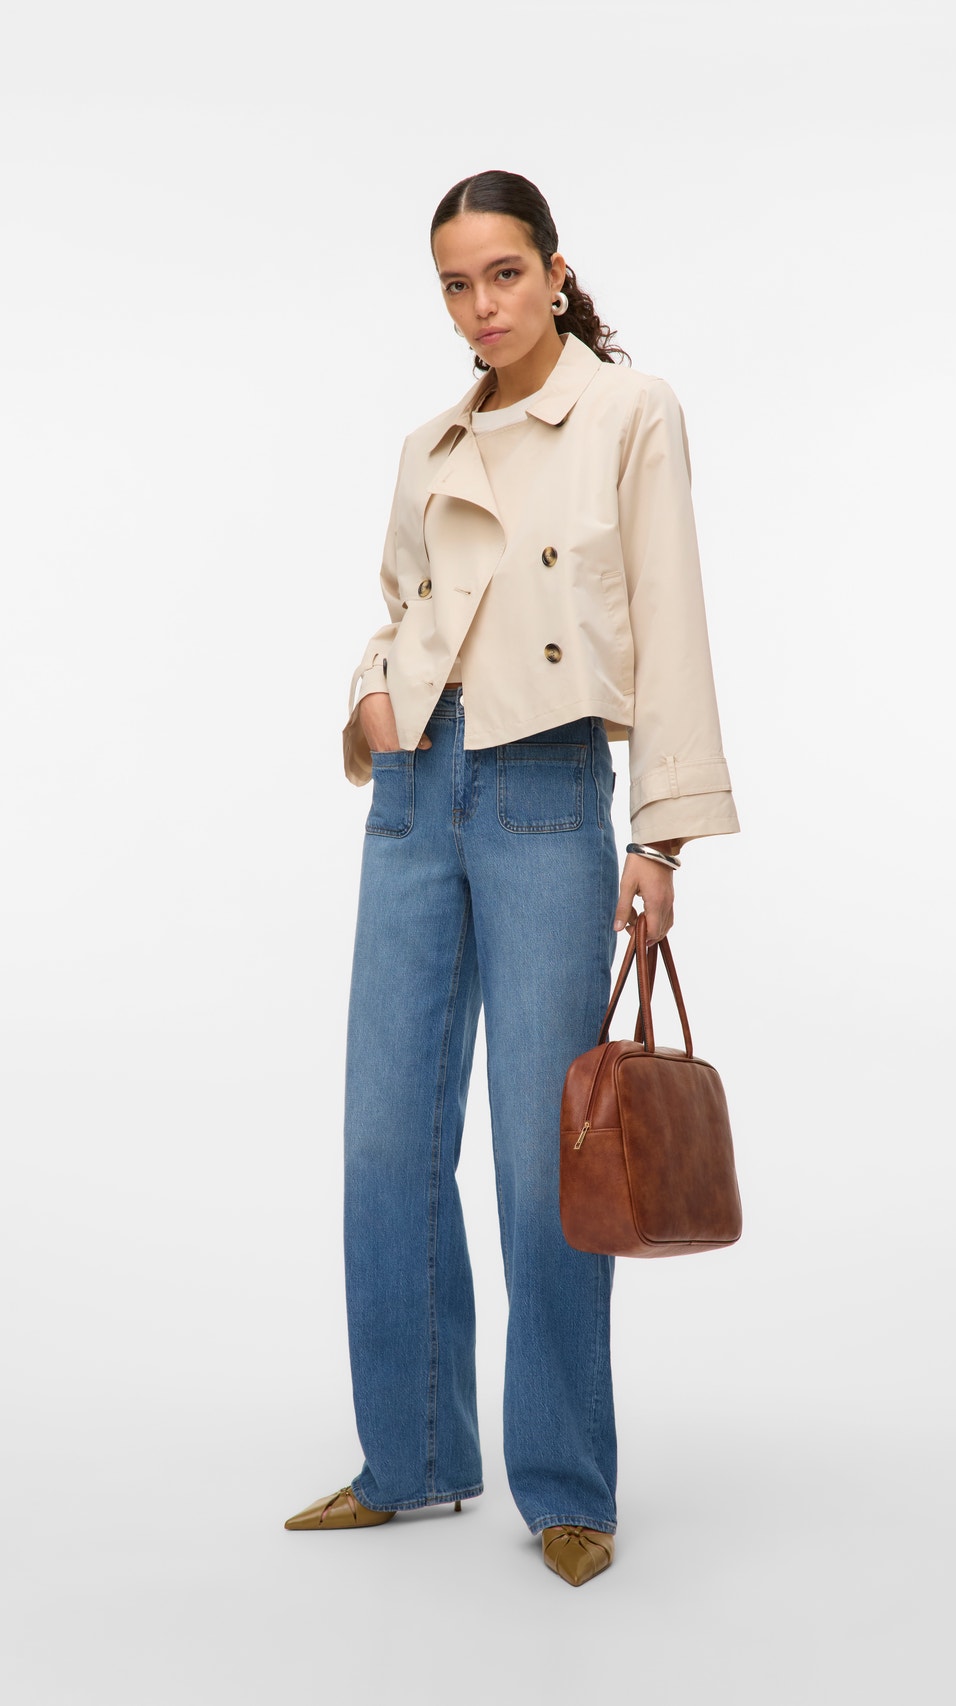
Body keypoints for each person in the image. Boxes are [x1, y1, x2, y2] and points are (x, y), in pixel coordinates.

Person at [285, 169, 740, 1586]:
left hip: (547, 788)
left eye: (502, 274)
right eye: (455, 284)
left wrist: (660, 834)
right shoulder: (429, 443)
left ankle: (565, 1484)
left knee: (553, 1156)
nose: (480, 305)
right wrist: (370, 702)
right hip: (417, 789)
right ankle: (413, 1456)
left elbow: (672, 616)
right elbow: (403, 607)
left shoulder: (628, 411)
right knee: (385, 1140)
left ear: (553, 270)